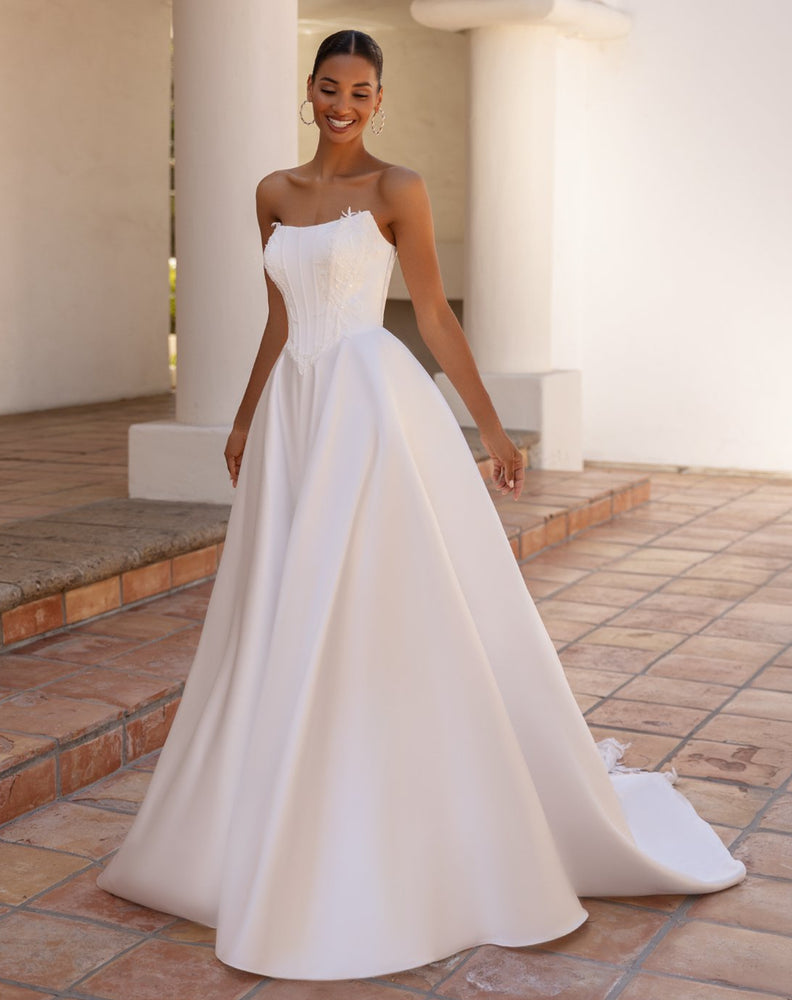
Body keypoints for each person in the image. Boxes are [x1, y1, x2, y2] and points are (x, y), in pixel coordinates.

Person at [98, 29, 745, 981]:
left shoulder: (397, 188)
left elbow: (434, 314)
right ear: (309, 90)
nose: (343, 105)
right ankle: (273, 799)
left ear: (379, 99)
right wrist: (241, 418)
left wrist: (493, 431)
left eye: (360, 91)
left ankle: (383, 803)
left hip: (367, 406)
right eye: (330, 87)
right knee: (280, 600)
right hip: (294, 416)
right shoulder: (272, 192)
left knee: (371, 595)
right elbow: (278, 317)